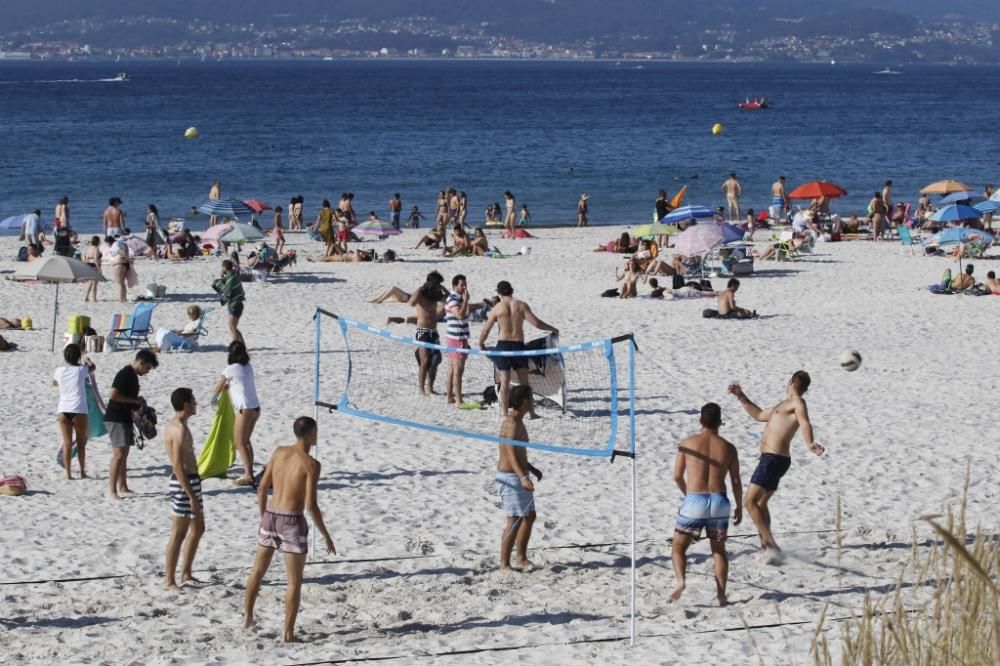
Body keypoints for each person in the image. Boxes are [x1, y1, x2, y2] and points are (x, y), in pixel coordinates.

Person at [244, 416, 337, 643]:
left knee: (257, 570)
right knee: (294, 580)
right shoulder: (312, 464)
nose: (317, 436)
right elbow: (311, 505)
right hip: (292, 521)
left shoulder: (278, 452)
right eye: (316, 432)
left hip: (271, 516)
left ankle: (247, 617)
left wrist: (262, 516)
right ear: (310, 434)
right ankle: (288, 633)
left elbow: (262, 487)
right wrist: (325, 534)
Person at [728, 371, 825, 559]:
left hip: (772, 459)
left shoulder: (797, 402)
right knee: (761, 504)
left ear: (790, 381)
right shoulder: (783, 405)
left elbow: (805, 423)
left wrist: (810, 443)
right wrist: (741, 395)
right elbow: (758, 414)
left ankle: (771, 544)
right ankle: (767, 546)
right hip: (774, 459)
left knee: (749, 502)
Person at [669, 403, 742, 606]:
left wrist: (688, 494)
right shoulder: (728, 447)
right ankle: (720, 595)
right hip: (719, 500)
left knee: (678, 548)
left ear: (701, 420)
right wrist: (739, 506)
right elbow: (736, 480)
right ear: (720, 422)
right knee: (719, 551)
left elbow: (677, 476)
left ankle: (681, 581)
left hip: (695, 499)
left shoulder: (687, 443)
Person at [478, 280, 558, 419]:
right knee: (525, 384)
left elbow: (486, 329)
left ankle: (504, 414)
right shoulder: (521, 305)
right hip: (518, 347)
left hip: (503, 347)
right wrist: (552, 328)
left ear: (499, 293)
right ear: (512, 291)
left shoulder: (497, 308)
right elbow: (537, 323)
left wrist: (481, 343)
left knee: (504, 383)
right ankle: (532, 413)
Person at [495, 384, 542, 571]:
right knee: (513, 521)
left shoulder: (518, 420)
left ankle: (521, 558)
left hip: (518, 474)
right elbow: (510, 452)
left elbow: (520, 452)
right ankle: (504, 564)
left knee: (529, 516)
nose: (533, 403)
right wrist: (523, 477)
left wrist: (531, 469)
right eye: (531, 399)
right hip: (511, 477)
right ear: (524, 402)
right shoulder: (512, 422)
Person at [163, 387, 205, 588]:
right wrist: (191, 496)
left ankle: (186, 572)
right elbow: (178, 466)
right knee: (179, 533)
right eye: (193, 400)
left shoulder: (182, 425)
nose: (196, 403)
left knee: (198, 528)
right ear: (186, 404)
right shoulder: (177, 428)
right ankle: (169, 579)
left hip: (192, 480)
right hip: (183, 483)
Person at [105, 349, 158, 500]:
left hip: (123, 418)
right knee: (118, 455)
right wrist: (135, 401)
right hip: (116, 418)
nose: (147, 371)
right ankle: (111, 490)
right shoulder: (126, 373)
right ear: (141, 363)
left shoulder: (132, 375)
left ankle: (123, 487)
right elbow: (113, 394)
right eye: (147, 368)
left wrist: (137, 402)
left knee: (124, 455)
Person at [209, 341, 260, 486]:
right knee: (246, 441)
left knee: (239, 442)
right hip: (255, 408)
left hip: (245, 410)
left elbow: (218, 387)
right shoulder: (248, 367)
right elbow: (238, 382)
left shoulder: (229, 369)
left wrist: (214, 398)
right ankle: (249, 472)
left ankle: (248, 475)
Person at [53, 343, 96, 480]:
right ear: (78, 356)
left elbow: (54, 383)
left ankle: (68, 474)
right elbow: (93, 367)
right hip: (78, 409)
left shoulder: (59, 371)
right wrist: (87, 360)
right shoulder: (81, 370)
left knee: (66, 443)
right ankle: (82, 472)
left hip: (63, 410)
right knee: (81, 443)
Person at [408, 271, 448, 396]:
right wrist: (419, 289)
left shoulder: (435, 295)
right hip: (422, 331)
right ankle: (421, 389)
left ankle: (430, 387)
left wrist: (443, 288)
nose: (438, 286)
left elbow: (449, 298)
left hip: (433, 332)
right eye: (437, 283)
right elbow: (411, 303)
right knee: (425, 361)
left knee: (435, 360)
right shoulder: (421, 294)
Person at [445, 274, 471, 407]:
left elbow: (464, 317)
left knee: (451, 369)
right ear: (455, 286)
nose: (464, 287)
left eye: (465, 285)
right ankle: (459, 401)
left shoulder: (457, 298)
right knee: (457, 371)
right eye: (462, 285)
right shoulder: (453, 299)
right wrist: (466, 300)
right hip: (456, 339)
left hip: (457, 337)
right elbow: (460, 316)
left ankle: (450, 397)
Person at [215, 259, 245, 345]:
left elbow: (226, 289)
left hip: (236, 304)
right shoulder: (232, 274)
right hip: (236, 304)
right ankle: (242, 346)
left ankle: (235, 346)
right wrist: (222, 276)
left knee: (232, 327)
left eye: (222, 267)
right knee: (233, 327)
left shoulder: (231, 276)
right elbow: (226, 283)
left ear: (224, 267)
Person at [106, 233, 132, 304]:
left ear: (109, 242)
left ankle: (121, 300)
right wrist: (127, 259)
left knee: (119, 283)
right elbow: (126, 247)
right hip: (123, 264)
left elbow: (121, 252)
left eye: (107, 244)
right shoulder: (120, 243)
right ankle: (124, 299)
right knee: (122, 283)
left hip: (119, 264)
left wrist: (128, 259)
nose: (107, 245)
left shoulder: (115, 245)